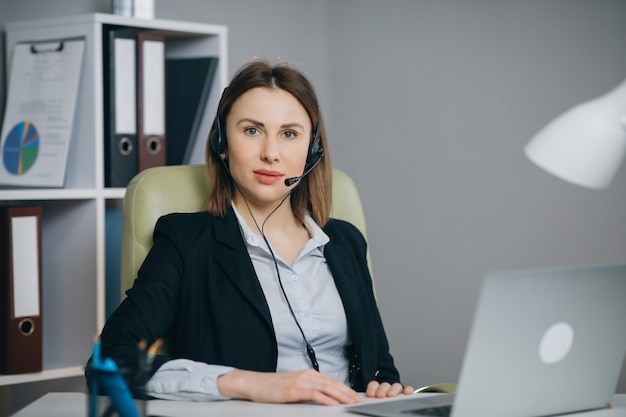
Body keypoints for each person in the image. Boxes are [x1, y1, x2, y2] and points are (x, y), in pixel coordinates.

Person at [92, 59, 414, 405]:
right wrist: (250, 384)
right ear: (222, 142)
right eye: (251, 130)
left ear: (312, 151)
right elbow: (113, 360)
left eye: (289, 134)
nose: (271, 153)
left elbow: (380, 368)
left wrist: (384, 387)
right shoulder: (186, 241)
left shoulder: (345, 242)